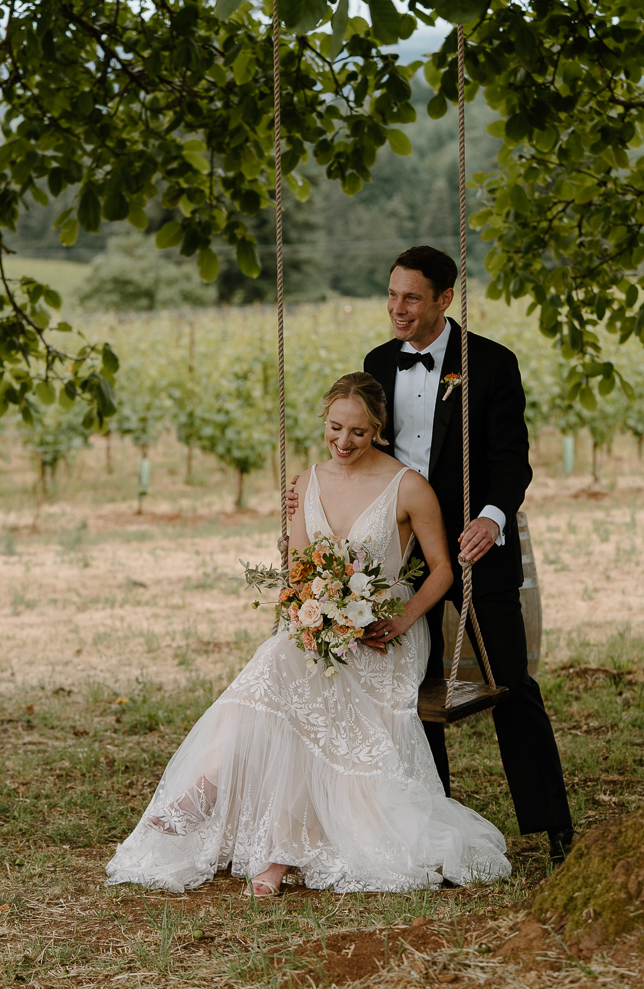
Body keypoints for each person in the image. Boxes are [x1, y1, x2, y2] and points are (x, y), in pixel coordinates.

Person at [106, 373, 511, 895]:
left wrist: (400, 619)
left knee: (291, 677)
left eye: (359, 433)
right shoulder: (304, 482)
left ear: (379, 431)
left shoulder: (409, 487)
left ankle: (253, 838)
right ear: (324, 422)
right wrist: (310, 615)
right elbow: (300, 569)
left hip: (383, 637)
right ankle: (225, 816)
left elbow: (441, 573)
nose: (343, 443)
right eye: (335, 428)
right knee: (280, 663)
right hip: (317, 630)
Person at [288, 248, 575, 863]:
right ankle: (430, 824)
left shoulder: (492, 364)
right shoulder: (376, 363)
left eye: (411, 298)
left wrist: (491, 520)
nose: (397, 309)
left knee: (511, 682)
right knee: (408, 688)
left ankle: (553, 825)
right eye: (391, 295)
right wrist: (311, 490)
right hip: (397, 546)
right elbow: (358, 446)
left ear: (445, 299)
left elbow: (511, 460)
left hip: (475, 546)